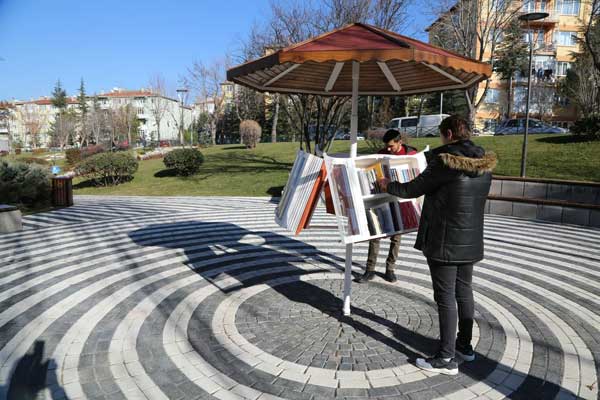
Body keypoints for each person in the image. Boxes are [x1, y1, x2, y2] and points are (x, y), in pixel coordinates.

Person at [378, 116, 496, 375]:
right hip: (470, 239)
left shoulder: (444, 162)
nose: (441, 139)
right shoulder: (484, 162)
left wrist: (389, 185)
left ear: (450, 134)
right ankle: (464, 347)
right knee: (464, 291)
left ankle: (445, 358)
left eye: (442, 135)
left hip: (444, 240)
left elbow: (412, 190)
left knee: (444, 298)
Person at [357, 129, 417, 284]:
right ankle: (370, 269)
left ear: (400, 142)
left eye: (391, 146)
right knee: (375, 234)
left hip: (400, 198)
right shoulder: (381, 153)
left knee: (397, 235)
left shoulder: (411, 155)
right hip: (381, 198)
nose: (388, 149)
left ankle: (390, 269)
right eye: (387, 146)